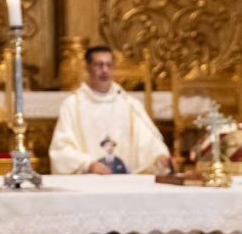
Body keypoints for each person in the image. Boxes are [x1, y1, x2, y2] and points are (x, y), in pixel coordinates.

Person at [49, 45, 173, 175]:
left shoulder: (129, 104)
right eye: (99, 65)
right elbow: (61, 148)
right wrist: (88, 164)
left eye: (109, 65)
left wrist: (160, 158)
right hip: (88, 182)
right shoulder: (72, 105)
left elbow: (148, 140)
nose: (104, 70)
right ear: (87, 67)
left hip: (126, 186)